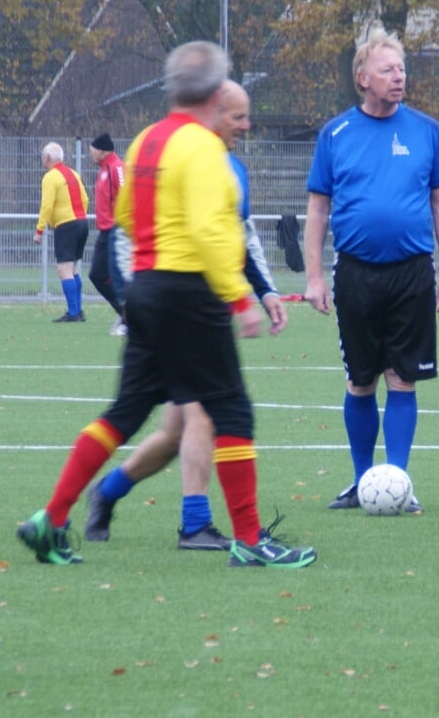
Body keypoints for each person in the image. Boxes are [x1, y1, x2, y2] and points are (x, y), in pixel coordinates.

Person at [17, 43, 315, 569]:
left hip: (148, 290)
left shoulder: (148, 141)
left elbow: (129, 215)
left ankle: (52, 519)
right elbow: (206, 229)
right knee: (232, 410)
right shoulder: (202, 149)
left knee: (125, 413)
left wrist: (144, 285)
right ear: (217, 91)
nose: (241, 124)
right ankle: (249, 540)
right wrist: (238, 296)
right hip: (188, 291)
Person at [85, 80, 289, 552]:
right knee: (208, 413)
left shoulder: (232, 167)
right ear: (214, 109)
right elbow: (125, 232)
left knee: (176, 427)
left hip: (209, 304)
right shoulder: (167, 153)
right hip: (176, 306)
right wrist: (136, 300)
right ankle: (196, 523)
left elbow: (240, 235)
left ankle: (108, 491)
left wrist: (265, 291)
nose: (245, 124)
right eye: (237, 116)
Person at [303, 28, 439, 515]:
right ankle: (360, 482)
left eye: (402, 69)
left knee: (403, 378)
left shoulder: (427, 131)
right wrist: (312, 278)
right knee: (361, 380)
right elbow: (317, 210)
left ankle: (399, 481)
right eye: (389, 69)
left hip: (412, 274)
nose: (399, 77)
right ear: (362, 78)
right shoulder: (336, 134)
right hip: (355, 274)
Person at [34, 141, 90, 323]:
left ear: (48, 158)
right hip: (82, 222)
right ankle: (78, 310)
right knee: (72, 269)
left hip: (66, 225)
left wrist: (39, 229)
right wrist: (80, 217)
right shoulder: (74, 174)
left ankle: (74, 313)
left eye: (43, 156)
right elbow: (85, 199)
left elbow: (46, 206)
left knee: (63, 269)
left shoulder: (50, 177)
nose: (42, 159)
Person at [87, 132, 128, 336]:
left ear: (103, 151)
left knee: (106, 275)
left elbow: (125, 193)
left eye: (92, 150)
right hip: (105, 231)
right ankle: (125, 314)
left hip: (116, 230)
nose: (90, 153)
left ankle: (128, 317)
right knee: (98, 275)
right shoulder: (103, 169)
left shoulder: (116, 168)